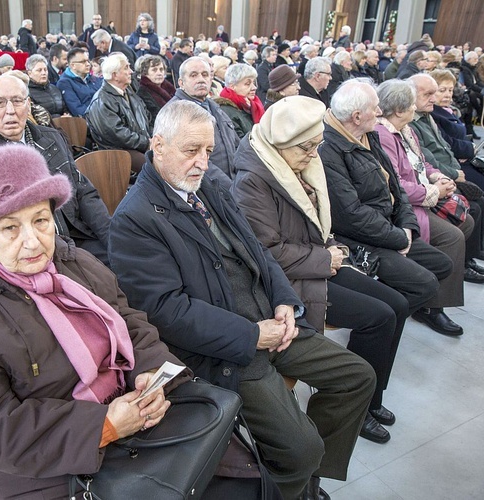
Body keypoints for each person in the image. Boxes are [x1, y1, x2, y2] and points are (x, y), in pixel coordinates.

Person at [109, 100, 375, 500]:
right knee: (303, 447)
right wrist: (252, 335)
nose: (201, 162)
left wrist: (286, 301)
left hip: (271, 323)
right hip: (228, 350)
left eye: (209, 152)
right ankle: (283, 484)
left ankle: (308, 481)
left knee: (358, 378)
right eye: (191, 150)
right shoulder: (136, 219)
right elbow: (167, 312)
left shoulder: (209, 187)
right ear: (158, 145)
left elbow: (259, 252)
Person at [0, 142, 203, 499]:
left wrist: (153, 374)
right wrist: (102, 427)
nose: (32, 242)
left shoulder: (77, 263)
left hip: (131, 415)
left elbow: (129, 321)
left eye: (41, 221)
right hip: (46, 469)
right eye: (10, 228)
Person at [232, 95, 409, 444]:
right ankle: (358, 408)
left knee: (397, 306)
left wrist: (329, 246)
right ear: (280, 145)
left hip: (316, 261)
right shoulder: (252, 181)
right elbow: (267, 253)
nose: (314, 155)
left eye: (317, 146)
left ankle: (370, 400)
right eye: (306, 148)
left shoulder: (298, 164)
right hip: (290, 279)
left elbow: (314, 222)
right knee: (377, 317)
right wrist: (324, 259)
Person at [320, 80, 461, 335]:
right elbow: (350, 216)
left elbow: (396, 187)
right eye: (375, 108)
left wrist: (406, 226)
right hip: (359, 238)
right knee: (423, 284)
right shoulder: (329, 148)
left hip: (389, 226)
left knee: (442, 264)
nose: (380, 112)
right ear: (356, 115)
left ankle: (388, 318)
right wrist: (397, 238)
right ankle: (379, 326)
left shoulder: (368, 133)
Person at [0, 74, 112, 265]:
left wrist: (111, 237)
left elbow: (83, 191)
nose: (10, 111)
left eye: (17, 101)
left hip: (74, 232)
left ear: (28, 104)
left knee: (119, 264)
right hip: (28, 249)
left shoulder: (52, 138)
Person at [375, 79, 473, 318]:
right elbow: (395, 184)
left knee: (467, 220)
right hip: (407, 206)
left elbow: (421, 162)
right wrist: (434, 191)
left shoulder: (406, 129)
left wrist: (438, 176)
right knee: (453, 237)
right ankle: (432, 306)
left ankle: (427, 280)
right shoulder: (383, 134)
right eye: (411, 105)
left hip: (421, 194)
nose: (415, 109)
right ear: (399, 110)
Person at [429, 69, 484, 246]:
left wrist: (467, 148)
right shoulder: (433, 114)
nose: (447, 94)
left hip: (461, 158)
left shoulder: (448, 110)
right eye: (441, 90)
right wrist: (470, 148)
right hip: (452, 163)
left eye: (450, 90)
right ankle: (477, 239)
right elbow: (447, 143)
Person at [169, 56, 240, 177]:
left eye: (205, 74)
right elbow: (194, 161)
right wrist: (230, 188)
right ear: (181, 82)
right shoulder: (177, 112)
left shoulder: (214, 106)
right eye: (193, 75)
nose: (201, 79)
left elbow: (237, 144)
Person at [85, 53, 151, 173]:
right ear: (115, 75)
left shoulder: (129, 92)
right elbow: (116, 134)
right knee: (154, 168)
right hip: (117, 153)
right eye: (126, 68)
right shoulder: (101, 100)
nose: (131, 71)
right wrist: (146, 143)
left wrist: (152, 139)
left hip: (138, 145)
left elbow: (146, 117)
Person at [214, 63, 264, 138]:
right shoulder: (226, 111)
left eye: (254, 83)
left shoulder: (251, 105)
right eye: (247, 84)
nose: (254, 88)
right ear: (232, 86)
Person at [56, 47, 102, 117]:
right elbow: (78, 110)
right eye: (83, 62)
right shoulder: (65, 83)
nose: (88, 64)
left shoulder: (92, 78)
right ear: (73, 65)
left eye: (88, 61)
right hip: (90, 120)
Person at [136, 54, 176, 130]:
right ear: (145, 73)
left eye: (161, 69)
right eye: (154, 70)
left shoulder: (170, 88)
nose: (159, 73)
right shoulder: (142, 93)